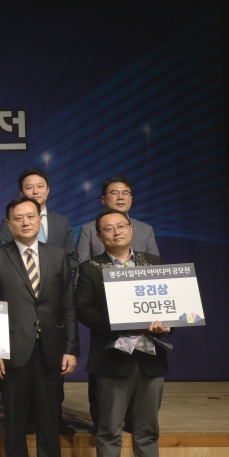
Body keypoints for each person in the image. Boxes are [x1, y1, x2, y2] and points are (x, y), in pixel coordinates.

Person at [74, 209, 185, 457]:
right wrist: (122, 321)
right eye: (108, 229)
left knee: (147, 429)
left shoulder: (154, 263)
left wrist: (169, 323)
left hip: (150, 359)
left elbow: (172, 304)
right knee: (109, 429)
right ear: (99, 237)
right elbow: (83, 310)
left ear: (131, 230)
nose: (116, 232)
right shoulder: (91, 268)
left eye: (121, 226)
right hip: (113, 360)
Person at [0, 196, 81, 457]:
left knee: (49, 425)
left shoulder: (57, 255)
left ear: (40, 219)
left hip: (51, 352)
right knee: (15, 427)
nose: (25, 222)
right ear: (8, 224)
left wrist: (70, 348)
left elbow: (68, 305)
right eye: (18, 218)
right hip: (12, 354)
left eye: (31, 216)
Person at [76, 176, 161, 428]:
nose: (121, 197)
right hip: (104, 313)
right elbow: (82, 269)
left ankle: (134, 421)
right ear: (104, 199)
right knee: (105, 374)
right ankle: (101, 419)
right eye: (114, 193)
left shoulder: (145, 229)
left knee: (141, 377)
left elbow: (158, 272)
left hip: (143, 320)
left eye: (126, 192)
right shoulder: (89, 229)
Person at [0, 168, 78, 273]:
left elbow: (71, 259)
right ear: (21, 193)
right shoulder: (10, 221)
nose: (35, 191)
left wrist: (51, 276)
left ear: (48, 190)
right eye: (29, 187)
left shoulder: (62, 222)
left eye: (40, 186)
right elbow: (4, 257)